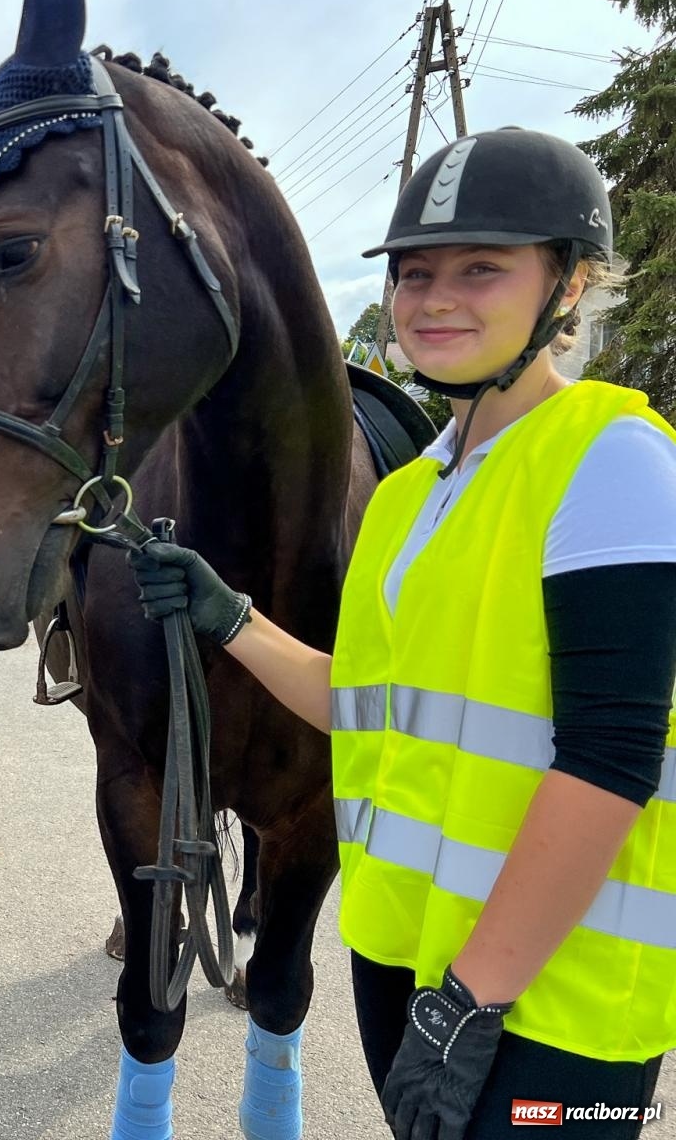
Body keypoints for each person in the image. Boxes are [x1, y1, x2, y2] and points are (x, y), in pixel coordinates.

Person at [130, 128, 676, 1139]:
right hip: (403, 959)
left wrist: (473, 998)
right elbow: (368, 696)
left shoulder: (615, 461)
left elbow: (610, 760)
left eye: (481, 269)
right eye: (413, 272)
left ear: (567, 284)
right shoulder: (411, 492)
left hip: (553, 998)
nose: (433, 299)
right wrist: (229, 615)